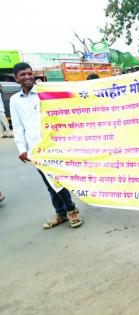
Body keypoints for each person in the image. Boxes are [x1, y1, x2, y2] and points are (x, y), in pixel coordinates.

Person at [10, 62, 82, 229]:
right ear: (16, 79)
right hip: (35, 150)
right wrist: (22, 149)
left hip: (53, 145)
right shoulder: (15, 100)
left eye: (29, 73)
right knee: (49, 183)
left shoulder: (44, 92)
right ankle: (61, 213)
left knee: (56, 179)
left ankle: (71, 210)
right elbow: (18, 126)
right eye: (23, 75)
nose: (28, 77)